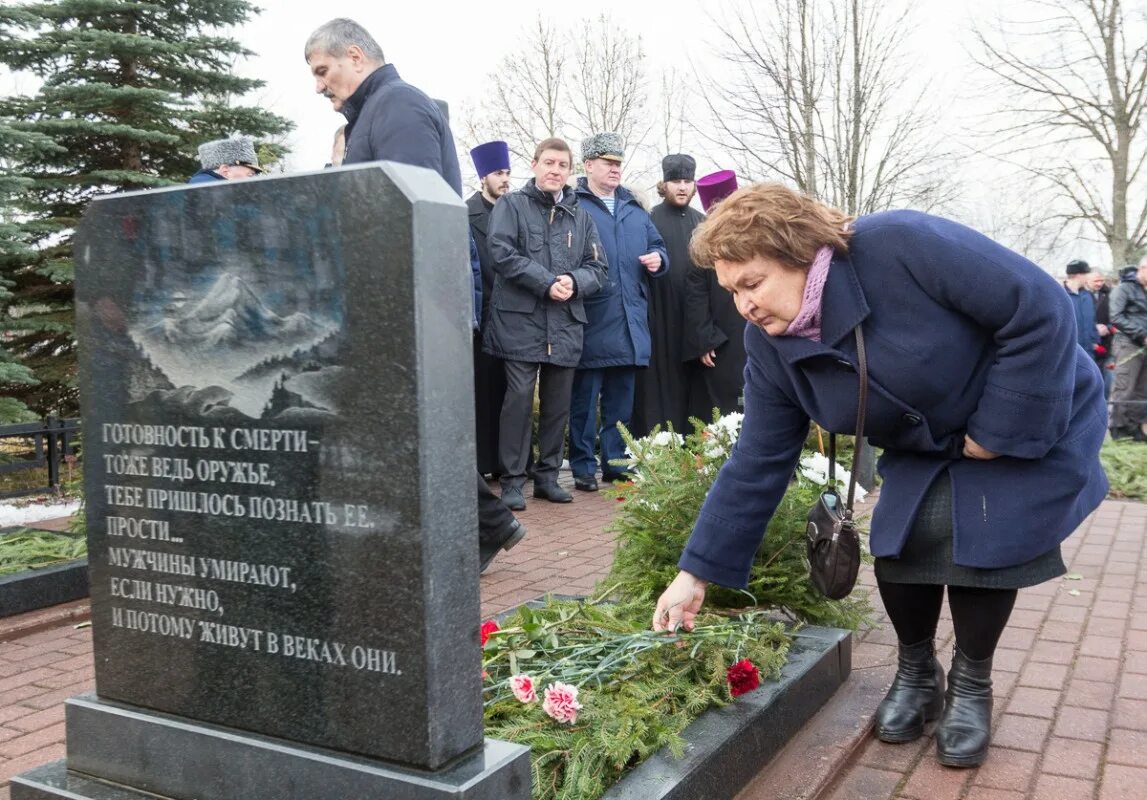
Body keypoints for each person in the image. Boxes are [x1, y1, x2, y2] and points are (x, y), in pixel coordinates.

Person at [652, 183, 1108, 770]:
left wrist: (998, 430)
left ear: (797, 251)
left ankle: (972, 685)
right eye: (731, 291)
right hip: (928, 437)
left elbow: (1037, 305)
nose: (744, 305)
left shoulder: (900, 244)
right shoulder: (768, 346)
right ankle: (917, 673)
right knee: (900, 537)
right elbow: (758, 459)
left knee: (984, 536)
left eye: (752, 283)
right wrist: (697, 573)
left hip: (1031, 405)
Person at [305, 18, 523, 571]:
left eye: (322, 70)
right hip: (394, 299)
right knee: (410, 427)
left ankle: (482, 528)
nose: (318, 85)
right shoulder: (375, 114)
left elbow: (410, 208)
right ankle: (484, 526)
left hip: (409, 301)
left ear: (355, 56)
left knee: (416, 427)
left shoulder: (397, 105)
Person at [483, 137, 607, 510]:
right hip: (519, 323)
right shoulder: (511, 205)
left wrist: (574, 281)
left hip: (566, 323)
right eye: (549, 163)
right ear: (535, 164)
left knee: (557, 404)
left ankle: (548, 477)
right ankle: (513, 481)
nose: (555, 171)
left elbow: (598, 268)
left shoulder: (581, 216)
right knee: (518, 401)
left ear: (571, 171)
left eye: (563, 165)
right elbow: (501, 253)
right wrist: (546, 282)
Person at [569, 132, 668, 491]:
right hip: (590, 319)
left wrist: (659, 259)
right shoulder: (574, 205)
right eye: (608, 163)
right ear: (588, 165)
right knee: (584, 401)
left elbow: (658, 246)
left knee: (620, 402)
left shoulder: (634, 209)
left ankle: (615, 463)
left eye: (618, 164)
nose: (614, 169)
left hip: (630, 320)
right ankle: (582, 466)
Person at [632, 154, 708, 438]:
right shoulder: (649, 220)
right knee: (656, 389)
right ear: (663, 184)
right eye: (676, 181)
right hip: (657, 319)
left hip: (693, 321)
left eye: (687, 181)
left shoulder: (703, 224)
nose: (682, 187)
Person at [682, 170, 747, 417]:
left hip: (755, 328)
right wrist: (705, 339)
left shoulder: (758, 234)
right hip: (723, 337)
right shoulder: (702, 244)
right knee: (724, 403)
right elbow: (695, 294)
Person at [468, 140, 513, 477]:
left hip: (514, 320)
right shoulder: (464, 213)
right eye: (499, 173)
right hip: (482, 319)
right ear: (484, 176)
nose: (505, 179)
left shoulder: (514, 210)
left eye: (508, 172)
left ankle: (512, 464)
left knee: (513, 395)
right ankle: (484, 463)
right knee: (484, 395)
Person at [1109, 258, 1147, 442]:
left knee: (1142, 389)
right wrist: (1142, 335)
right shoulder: (1124, 289)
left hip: (1144, 347)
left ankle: (1135, 426)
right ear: (1142, 268)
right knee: (1125, 386)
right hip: (1128, 344)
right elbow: (1116, 317)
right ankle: (1118, 427)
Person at [1062, 259, 1101, 358]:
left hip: (1089, 353)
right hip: (1069, 355)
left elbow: (1092, 321)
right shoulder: (1060, 296)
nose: (1088, 277)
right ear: (1079, 275)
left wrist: (1095, 340)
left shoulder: (1087, 296)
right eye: (1087, 274)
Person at [188, 136, 264, 183]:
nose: (254, 179)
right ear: (225, 171)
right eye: (250, 175)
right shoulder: (213, 190)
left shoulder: (201, 183)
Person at [1089, 270, 1115, 399]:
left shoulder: (1110, 294)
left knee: (1107, 383)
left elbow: (1117, 316)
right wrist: (1094, 329)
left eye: (1101, 281)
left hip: (1107, 346)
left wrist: (1108, 328)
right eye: (1096, 281)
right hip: (1089, 346)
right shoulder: (1081, 295)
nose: (1099, 284)